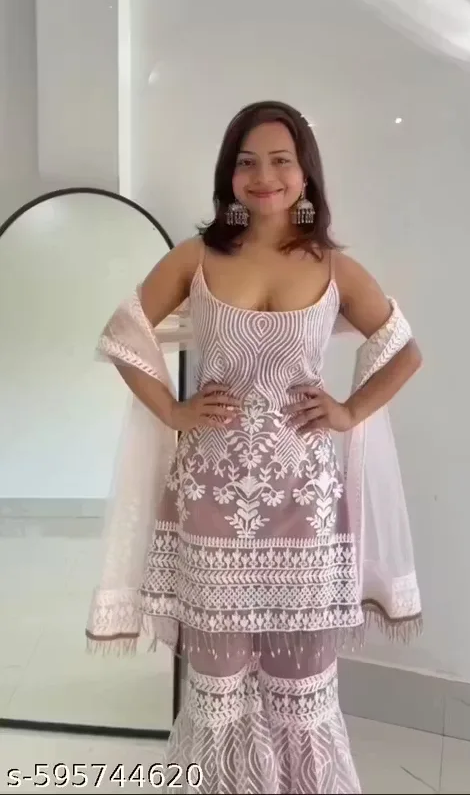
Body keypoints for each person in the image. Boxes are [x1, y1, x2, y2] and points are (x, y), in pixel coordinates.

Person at [86, 100, 423, 794]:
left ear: (305, 175)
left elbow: (403, 350)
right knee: (218, 688)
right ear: (229, 175)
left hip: (308, 505)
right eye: (246, 162)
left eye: (279, 161)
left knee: (303, 688)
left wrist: (349, 410)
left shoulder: (333, 267)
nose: (263, 176)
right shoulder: (197, 257)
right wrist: (174, 410)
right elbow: (124, 334)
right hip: (213, 500)